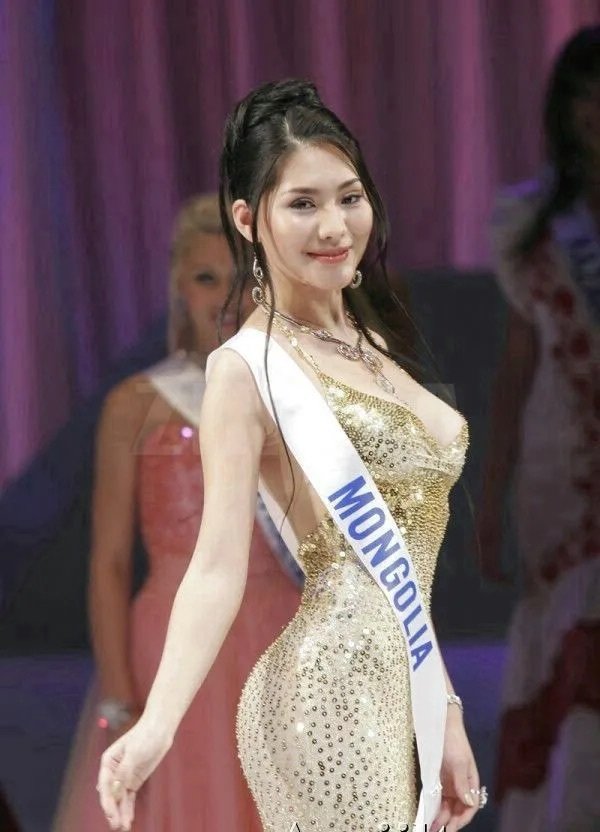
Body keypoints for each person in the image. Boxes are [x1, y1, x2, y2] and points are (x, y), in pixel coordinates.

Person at [97, 80, 483, 832]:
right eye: (302, 204)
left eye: (349, 197)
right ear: (249, 219)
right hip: (326, 700)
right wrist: (155, 726)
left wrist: (448, 715)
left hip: (398, 693)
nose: (334, 226)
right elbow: (216, 567)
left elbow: (403, 566)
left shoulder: (370, 345)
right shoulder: (248, 369)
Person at [53, 194, 301, 831]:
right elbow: (109, 562)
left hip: (281, 631)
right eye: (205, 278)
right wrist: (119, 696)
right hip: (171, 640)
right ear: (178, 288)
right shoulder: (135, 404)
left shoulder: (297, 392)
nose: (224, 297)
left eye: (240, 278)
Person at [480, 26, 600, 832]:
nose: (595, 111)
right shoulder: (532, 222)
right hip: (562, 465)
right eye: (582, 95)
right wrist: (490, 495)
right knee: (568, 635)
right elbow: (516, 367)